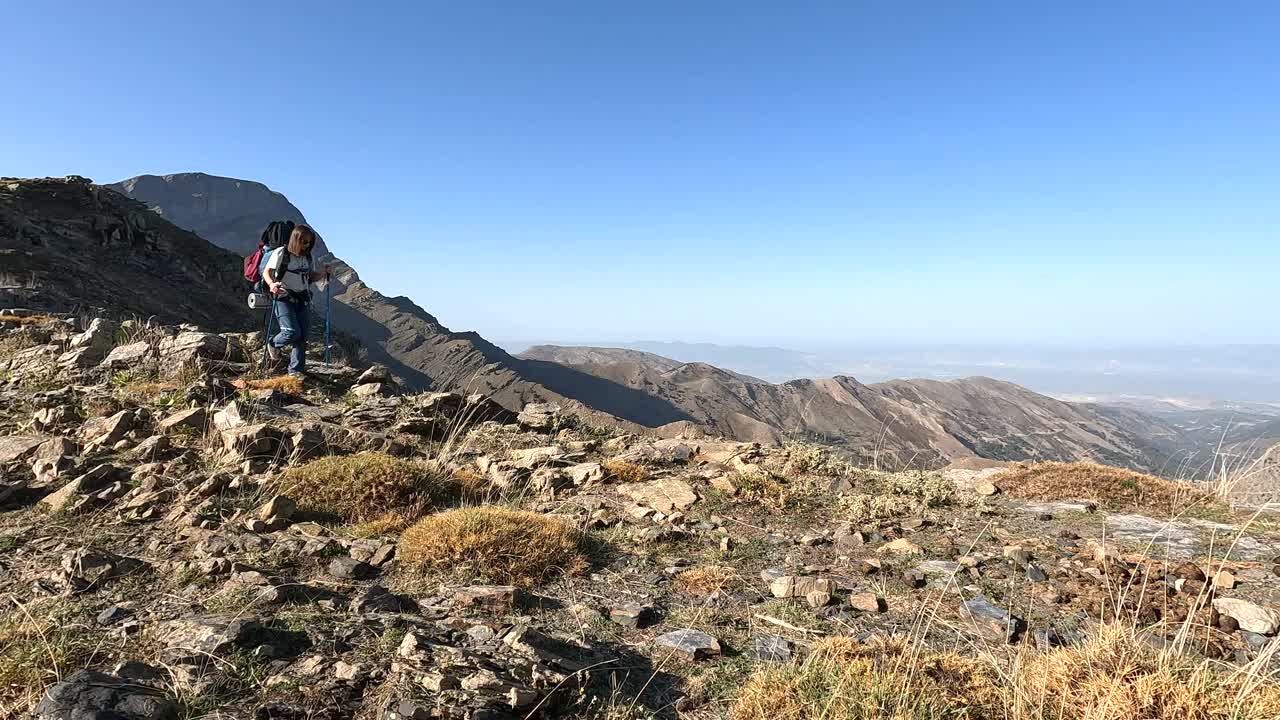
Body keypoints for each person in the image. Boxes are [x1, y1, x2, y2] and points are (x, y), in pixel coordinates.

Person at [263, 224, 330, 376]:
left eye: (309, 242)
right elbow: (267, 272)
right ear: (295, 239)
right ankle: (273, 343)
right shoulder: (282, 253)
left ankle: (295, 371)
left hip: (303, 298)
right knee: (291, 332)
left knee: (302, 336)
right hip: (283, 297)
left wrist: (323, 274)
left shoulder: (308, 257)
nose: (307, 245)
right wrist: (272, 284)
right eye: (304, 241)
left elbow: (309, 277)